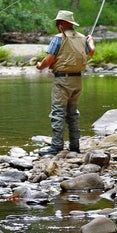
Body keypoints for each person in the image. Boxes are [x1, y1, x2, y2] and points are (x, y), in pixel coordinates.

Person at [35, 10, 95, 156]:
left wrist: (39, 66)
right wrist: (91, 42)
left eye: (58, 22)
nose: (56, 25)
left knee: (58, 112)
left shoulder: (58, 38)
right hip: (77, 80)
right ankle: (75, 146)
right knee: (73, 114)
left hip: (62, 80)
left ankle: (56, 147)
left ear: (62, 24)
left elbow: (49, 60)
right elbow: (91, 52)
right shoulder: (82, 38)